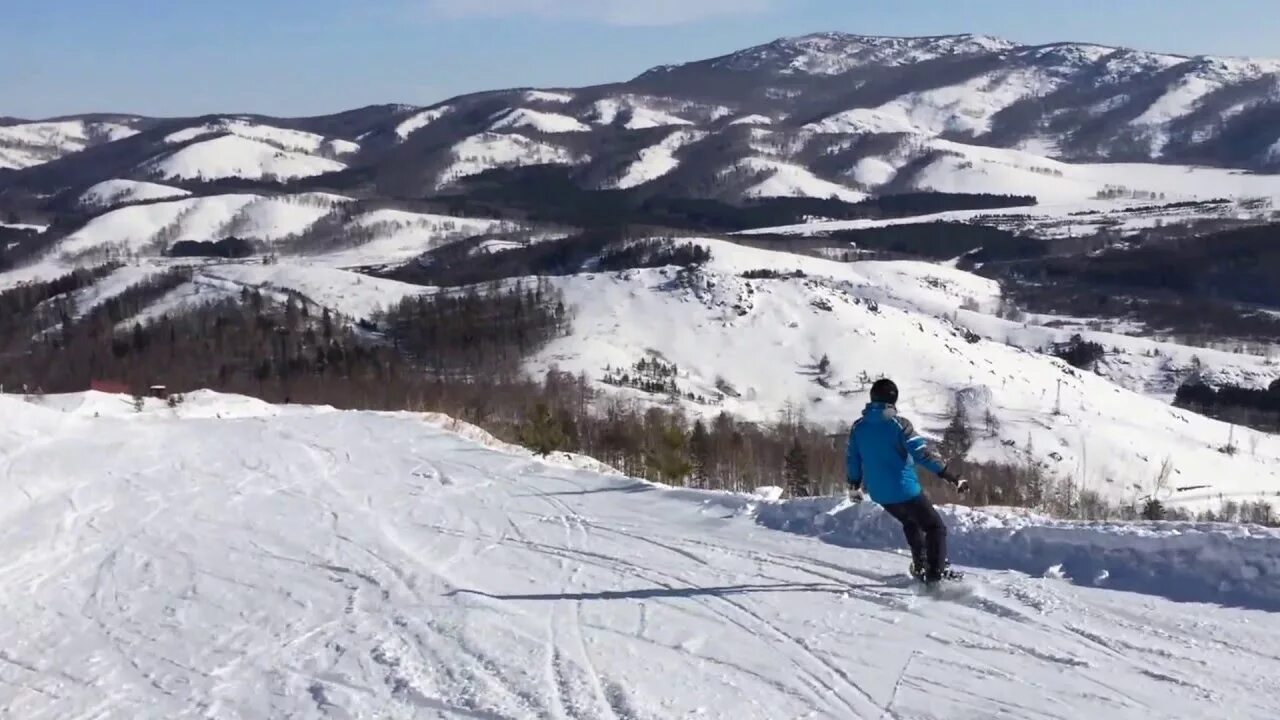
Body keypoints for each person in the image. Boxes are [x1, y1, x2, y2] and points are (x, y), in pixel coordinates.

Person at [846, 379, 968, 584]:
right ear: (894, 399)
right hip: (905, 490)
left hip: (880, 493)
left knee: (910, 521)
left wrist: (853, 485)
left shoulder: (858, 427)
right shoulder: (899, 425)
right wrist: (949, 475)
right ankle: (935, 574)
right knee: (935, 528)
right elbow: (922, 454)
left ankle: (921, 565)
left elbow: (852, 458)